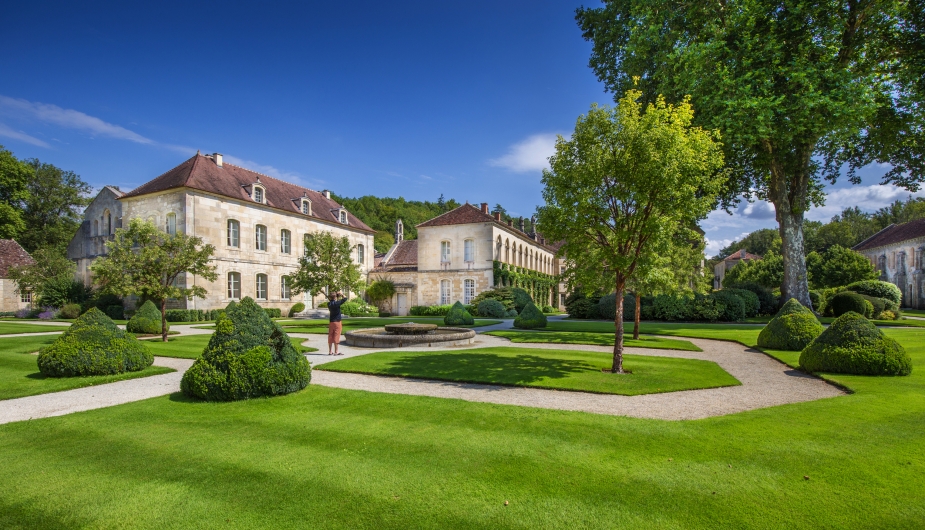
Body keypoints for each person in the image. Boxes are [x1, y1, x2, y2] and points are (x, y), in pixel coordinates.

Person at [327, 290, 347, 355]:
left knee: (330, 335)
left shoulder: (329, 304)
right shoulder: (336, 303)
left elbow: (333, 301)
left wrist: (336, 296)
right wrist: (341, 294)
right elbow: (345, 298)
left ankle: (330, 351)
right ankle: (336, 351)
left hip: (331, 322)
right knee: (336, 335)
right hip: (337, 321)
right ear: (335, 297)